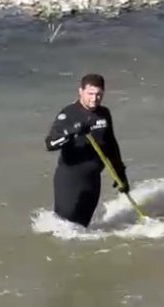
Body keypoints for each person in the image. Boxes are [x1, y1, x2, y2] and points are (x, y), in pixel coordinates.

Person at [43, 73, 130, 227]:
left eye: (99, 95)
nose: (94, 99)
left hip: (93, 180)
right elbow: (50, 144)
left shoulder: (104, 114)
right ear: (80, 91)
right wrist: (73, 131)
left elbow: (111, 145)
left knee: (82, 229)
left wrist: (120, 173)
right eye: (90, 94)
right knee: (65, 226)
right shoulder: (68, 114)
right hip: (70, 179)